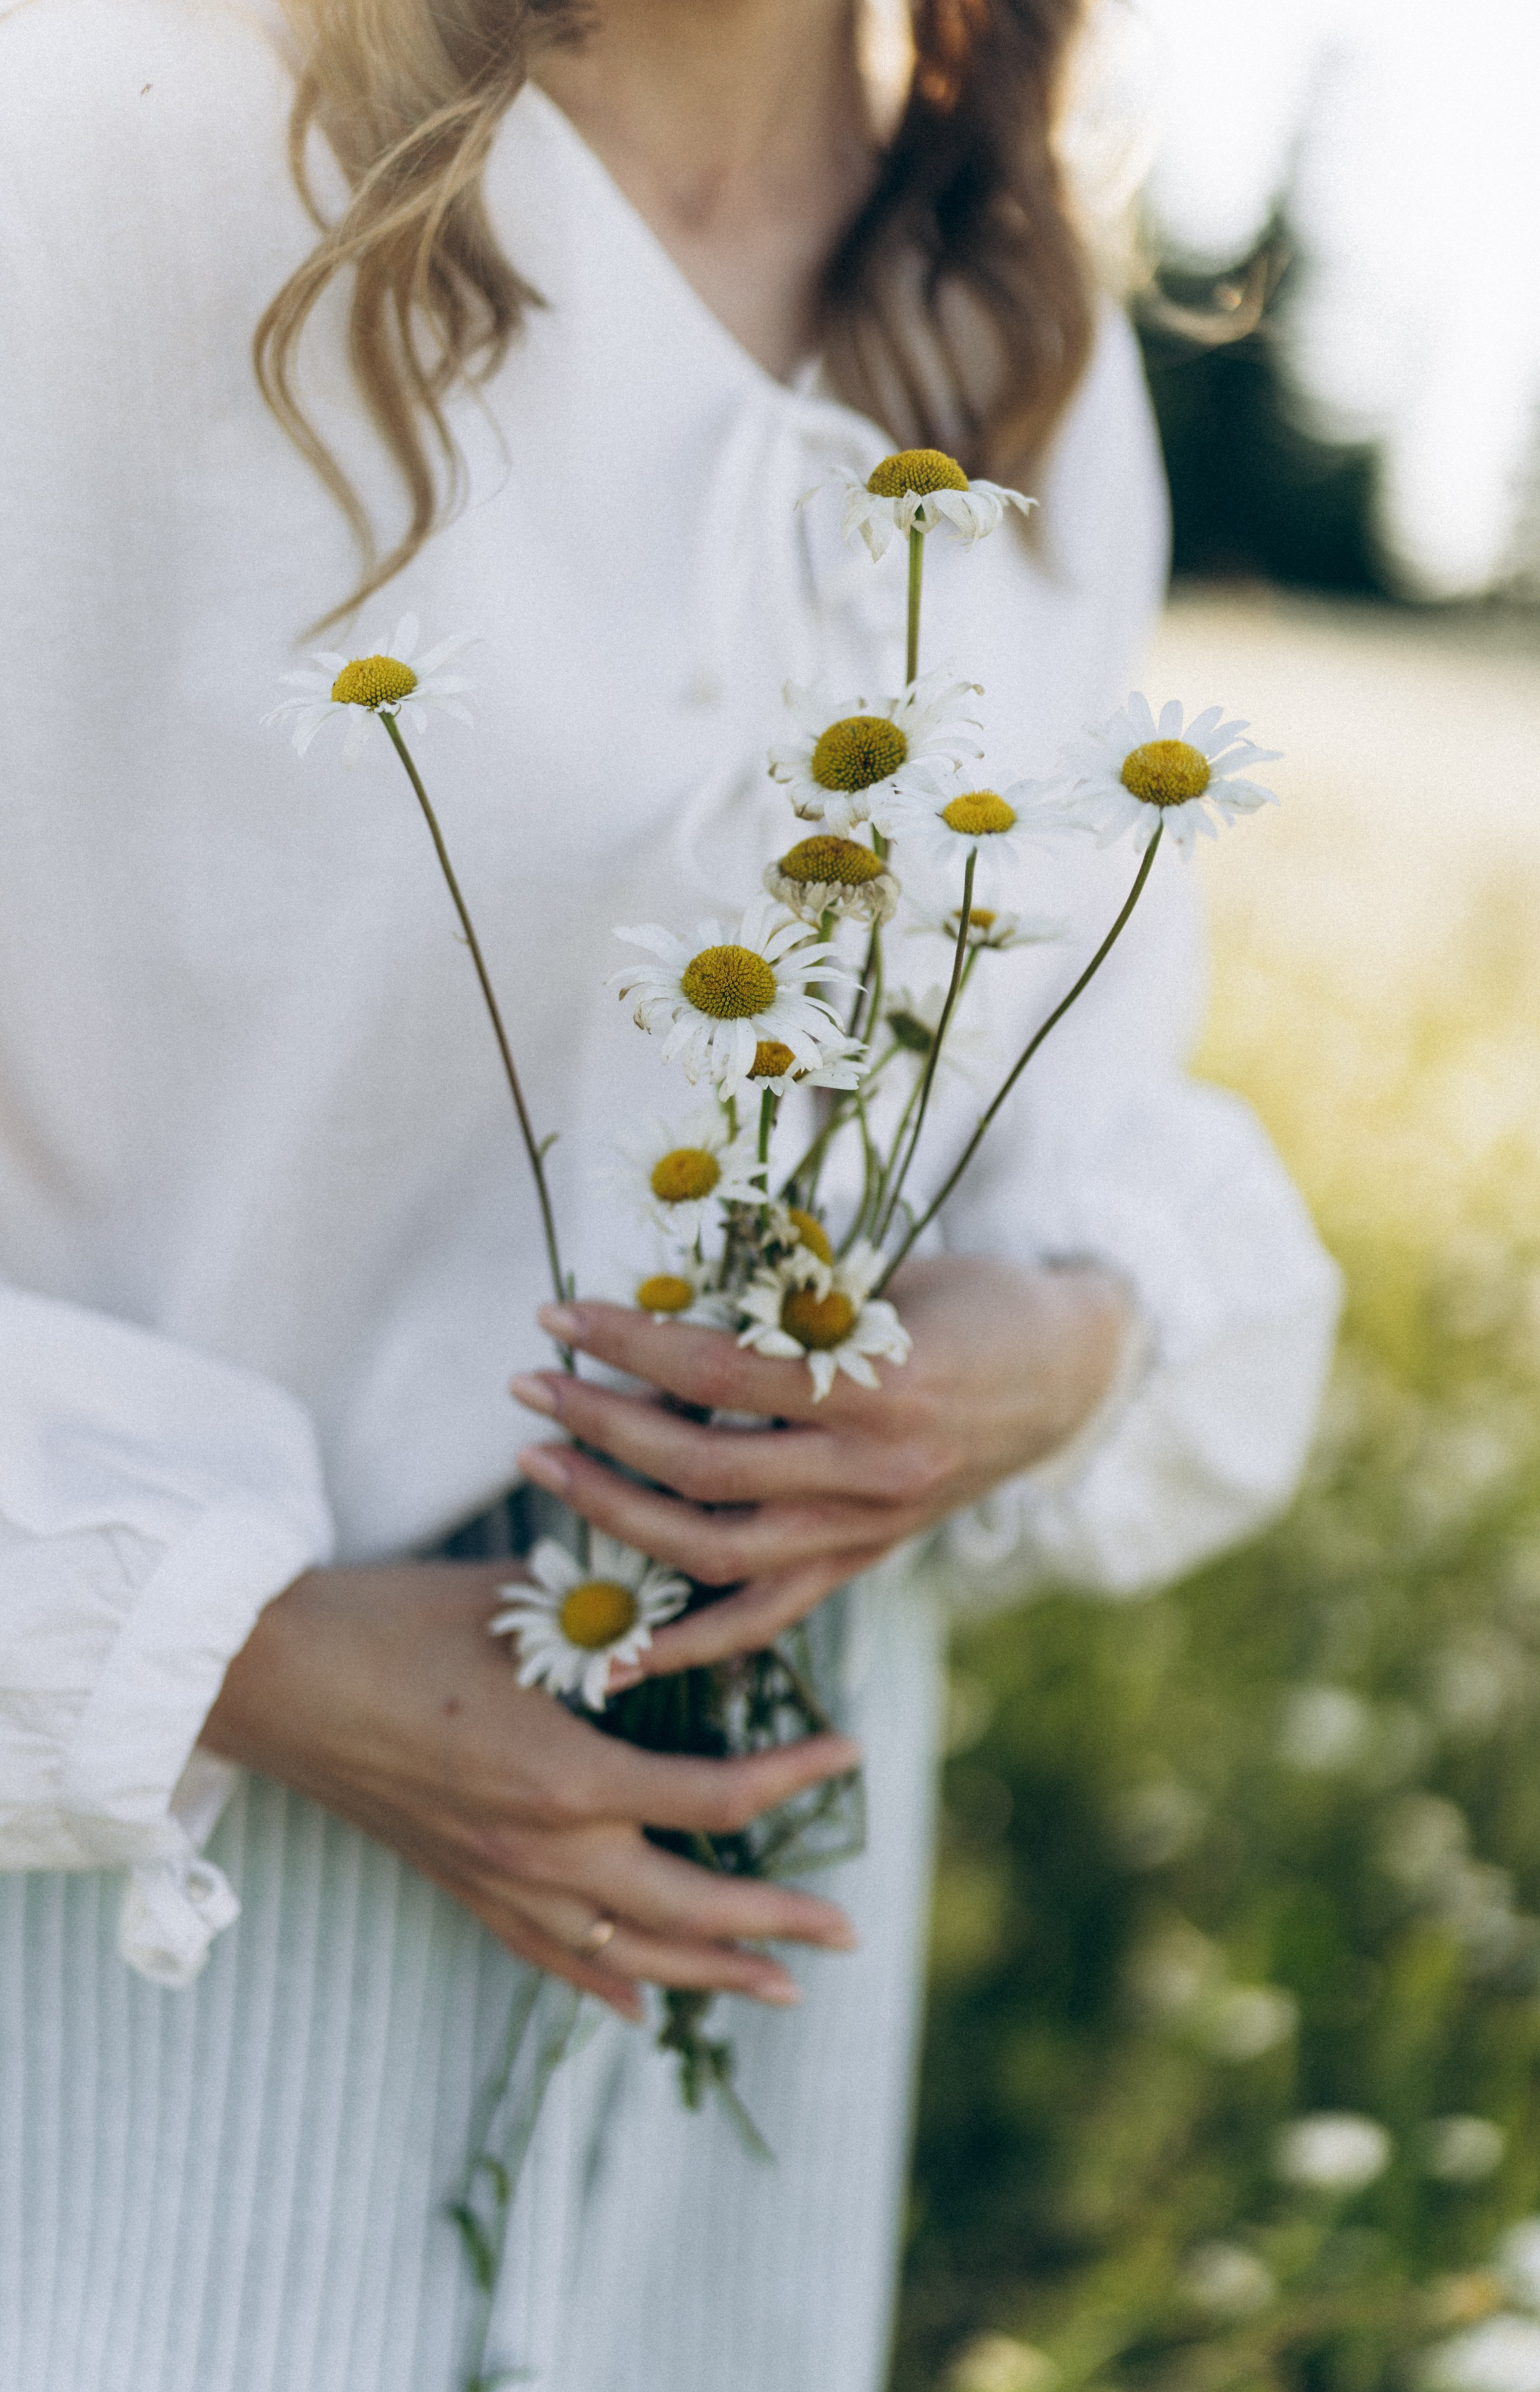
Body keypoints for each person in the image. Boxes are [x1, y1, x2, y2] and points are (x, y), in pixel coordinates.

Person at [0, 1, 1341, 2386]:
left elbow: (1090, 1110)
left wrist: (1053, 1348)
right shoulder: (111, 144)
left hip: (728, 2063)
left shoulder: (1013, 324)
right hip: (126, 1965)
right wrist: (224, 1643)